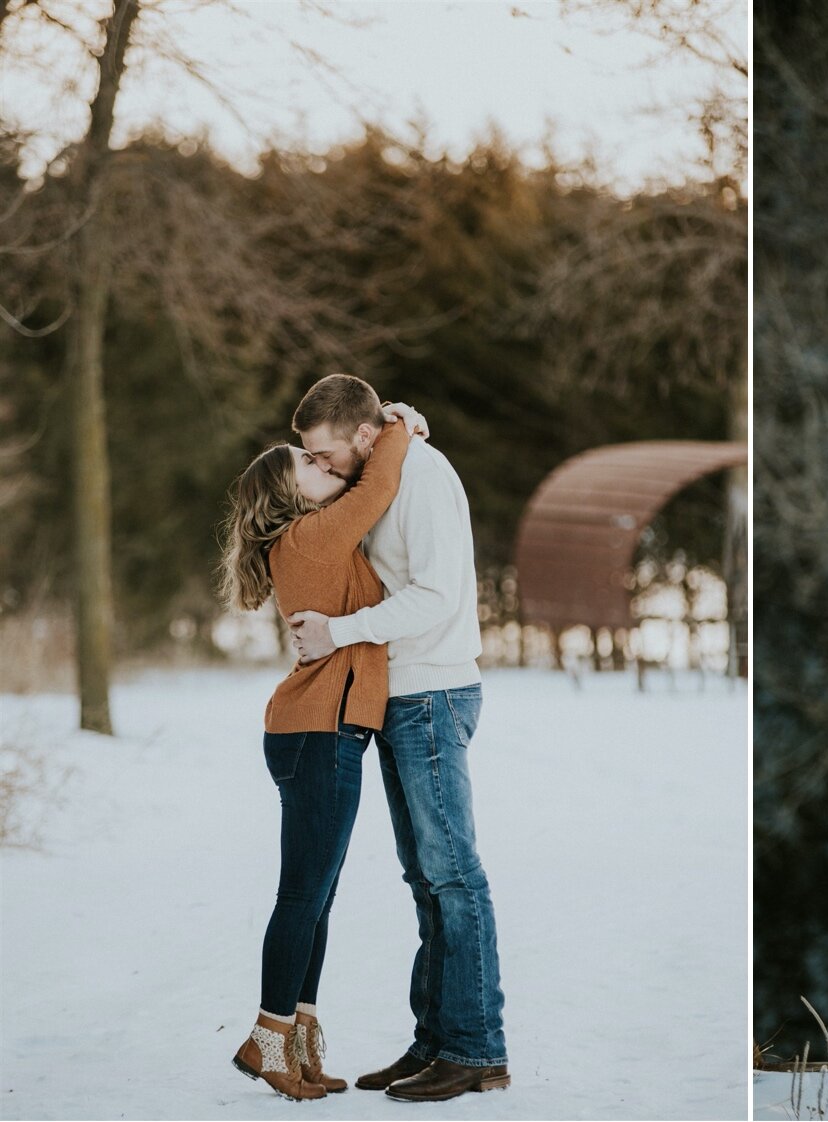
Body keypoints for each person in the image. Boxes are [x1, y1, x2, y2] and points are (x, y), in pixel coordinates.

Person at [284, 374, 509, 1102]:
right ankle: (436, 1041)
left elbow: (439, 594)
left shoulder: (422, 476)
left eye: (324, 454)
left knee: (452, 874)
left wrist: (336, 633)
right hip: (401, 692)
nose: (320, 468)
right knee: (425, 879)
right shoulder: (385, 467)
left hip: (434, 692)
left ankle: (476, 1048)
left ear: (359, 434)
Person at [218, 401, 424, 1101]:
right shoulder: (311, 539)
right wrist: (397, 425)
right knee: (303, 892)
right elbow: (379, 488)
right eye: (306, 463)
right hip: (317, 733)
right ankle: (267, 1037)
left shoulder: (313, 540)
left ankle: (298, 1038)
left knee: (319, 893)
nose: (321, 463)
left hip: (322, 731)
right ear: (288, 494)